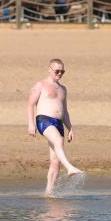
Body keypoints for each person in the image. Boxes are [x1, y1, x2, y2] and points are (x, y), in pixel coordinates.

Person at [27, 59, 84, 196]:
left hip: (58, 123)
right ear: (49, 69)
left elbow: (64, 110)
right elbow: (30, 104)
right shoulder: (41, 85)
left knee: (55, 161)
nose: (60, 73)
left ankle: (49, 192)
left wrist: (70, 128)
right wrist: (31, 124)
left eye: (62, 71)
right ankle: (69, 167)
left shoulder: (63, 89)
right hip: (44, 120)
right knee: (58, 141)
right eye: (57, 71)